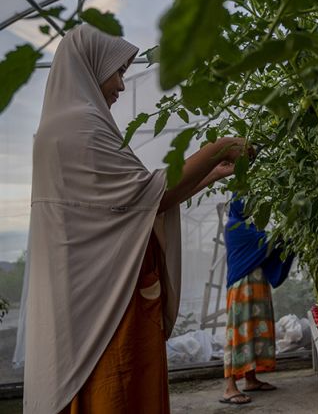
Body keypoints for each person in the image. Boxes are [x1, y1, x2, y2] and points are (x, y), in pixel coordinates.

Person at [20, 24, 250, 414]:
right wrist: (220, 147)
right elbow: (148, 193)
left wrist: (211, 173)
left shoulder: (66, 126)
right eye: (119, 72)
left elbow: (140, 200)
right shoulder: (80, 127)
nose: (122, 86)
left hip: (104, 297)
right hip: (106, 307)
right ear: (90, 67)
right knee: (117, 393)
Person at [219, 198, 294, 405]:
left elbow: (267, 243)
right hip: (242, 289)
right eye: (247, 203)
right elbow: (267, 241)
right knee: (238, 335)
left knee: (253, 332)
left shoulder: (250, 226)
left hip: (256, 288)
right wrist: (288, 229)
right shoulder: (235, 227)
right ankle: (229, 387)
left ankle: (250, 380)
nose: (250, 207)